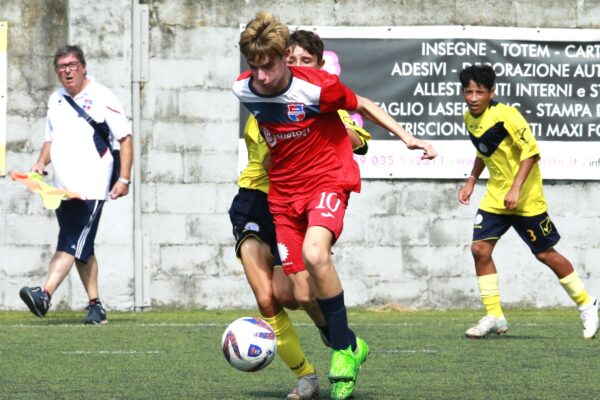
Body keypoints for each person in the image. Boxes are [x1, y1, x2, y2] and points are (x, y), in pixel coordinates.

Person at [234, 12, 437, 400]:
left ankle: (342, 351)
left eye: (269, 65)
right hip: (281, 196)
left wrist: (408, 138)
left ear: (283, 57)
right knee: (302, 293)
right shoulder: (243, 90)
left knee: (315, 253)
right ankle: (351, 345)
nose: (262, 76)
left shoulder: (319, 90)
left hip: (327, 180)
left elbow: (362, 104)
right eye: (254, 67)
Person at [228, 30, 372, 400]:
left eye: (305, 62)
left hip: (298, 198)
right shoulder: (260, 95)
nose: (294, 67)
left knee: (300, 295)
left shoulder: (319, 101)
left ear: (318, 69)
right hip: (255, 198)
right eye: (290, 59)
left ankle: (343, 344)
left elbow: (358, 140)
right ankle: (306, 377)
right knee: (266, 299)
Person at [457, 64, 599, 339]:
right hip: (496, 197)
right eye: (468, 92)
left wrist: (516, 188)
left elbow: (531, 152)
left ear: (491, 92)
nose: (473, 97)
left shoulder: (507, 116)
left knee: (545, 254)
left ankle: (586, 303)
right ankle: (494, 315)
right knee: (479, 250)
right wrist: (472, 180)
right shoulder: (469, 118)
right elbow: (483, 151)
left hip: (525, 198)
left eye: (480, 92)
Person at [19, 45, 133, 325]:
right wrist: (40, 163)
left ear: (83, 67)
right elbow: (50, 138)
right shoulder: (55, 99)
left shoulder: (102, 96)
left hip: (93, 185)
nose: (67, 70)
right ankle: (96, 306)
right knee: (82, 246)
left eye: (72, 65)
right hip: (62, 187)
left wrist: (124, 178)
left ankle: (45, 294)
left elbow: (125, 138)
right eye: (61, 67)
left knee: (69, 240)